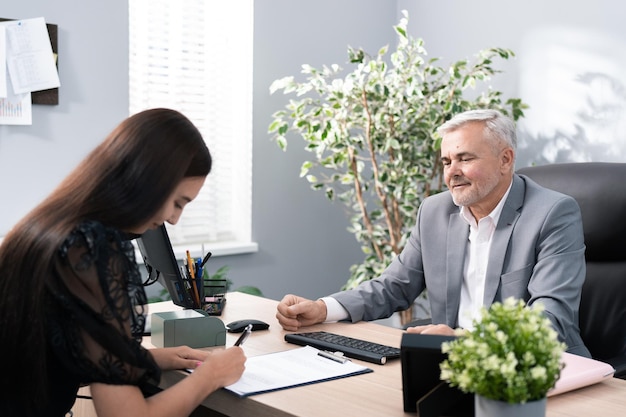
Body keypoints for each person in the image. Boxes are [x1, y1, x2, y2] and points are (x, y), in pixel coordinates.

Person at [276, 109, 591, 358]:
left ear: (505, 160)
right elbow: (393, 287)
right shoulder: (435, 212)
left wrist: (464, 341)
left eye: (465, 158)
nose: (452, 171)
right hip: (452, 365)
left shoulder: (553, 213)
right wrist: (323, 308)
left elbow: (550, 320)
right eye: (446, 161)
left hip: (537, 369)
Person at [0, 108, 246, 417]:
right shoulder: (92, 249)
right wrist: (211, 376)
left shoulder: (50, 224)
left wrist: (145, 358)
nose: (173, 218)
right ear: (148, 181)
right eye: (177, 202)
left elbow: (53, 350)